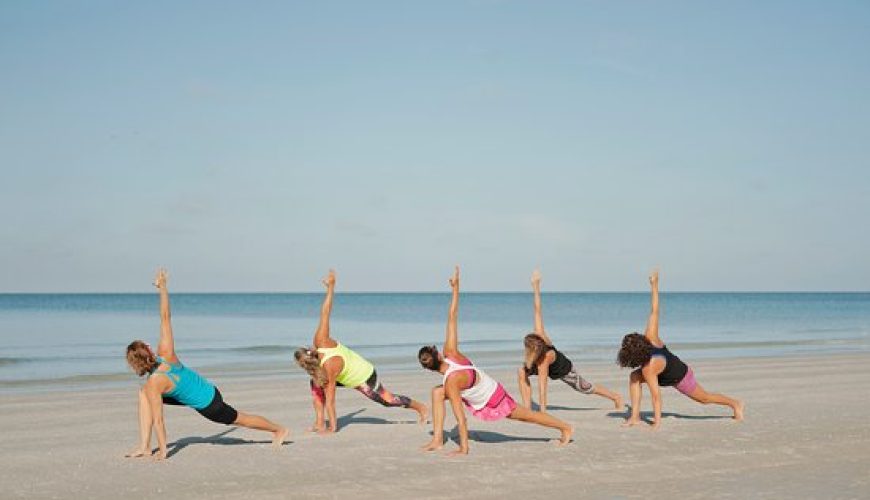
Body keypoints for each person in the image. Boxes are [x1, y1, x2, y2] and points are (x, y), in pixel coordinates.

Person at [124, 269, 288, 460]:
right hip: (206, 389)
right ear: (149, 351)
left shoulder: (155, 383)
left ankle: (279, 429)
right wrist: (163, 288)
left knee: (240, 419)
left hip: (210, 405)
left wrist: (163, 451)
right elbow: (166, 317)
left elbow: (159, 421)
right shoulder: (166, 354)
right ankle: (144, 446)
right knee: (143, 393)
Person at [418, 266, 573, 456]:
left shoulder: (451, 382)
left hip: (494, 397)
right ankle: (437, 440)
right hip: (485, 387)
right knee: (437, 392)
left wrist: (463, 448)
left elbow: (461, 419)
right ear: (438, 355)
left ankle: (565, 427)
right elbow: (452, 316)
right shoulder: (450, 352)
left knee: (527, 417)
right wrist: (456, 288)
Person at [294, 269, 428, 434]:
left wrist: (334, 428)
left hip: (363, 375)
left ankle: (420, 407)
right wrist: (330, 288)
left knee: (387, 400)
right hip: (343, 374)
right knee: (315, 383)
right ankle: (320, 422)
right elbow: (325, 312)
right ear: (309, 350)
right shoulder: (320, 344)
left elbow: (331, 401)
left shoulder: (328, 363)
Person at [617, 269, 744, 429]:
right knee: (634, 377)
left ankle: (735, 404)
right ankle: (634, 417)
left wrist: (656, 423)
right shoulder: (651, 337)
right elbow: (654, 311)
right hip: (663, 372)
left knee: (704, 399)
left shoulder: (649, 368)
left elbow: (656, 397)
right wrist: (654, 285)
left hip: (680, 376)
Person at [518, 269, 623, 411]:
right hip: (542, 364)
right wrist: (536, 286)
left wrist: (543, 412)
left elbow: (543, 386)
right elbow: (537, 310)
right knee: (521, 371)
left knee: (585, 388)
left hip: (563, 369)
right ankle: (527, 407)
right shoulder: (539, 334)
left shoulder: (544, 359)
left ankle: (616, 397)